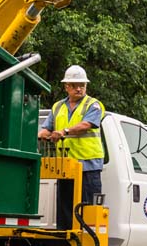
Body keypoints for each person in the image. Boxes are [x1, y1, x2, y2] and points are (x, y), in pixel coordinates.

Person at [39, 65, 106, 204]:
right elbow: (47, 128)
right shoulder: (57, 107)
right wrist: (41, 135)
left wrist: (64, 131)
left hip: (88, 165)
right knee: (65, 210)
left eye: (82, 85)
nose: (79, 89)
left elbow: (86, 125)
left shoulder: (93, 105)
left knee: (87, 210)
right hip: (65, 167)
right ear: (66, 87)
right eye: (75, 86)